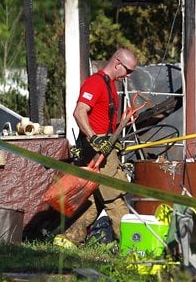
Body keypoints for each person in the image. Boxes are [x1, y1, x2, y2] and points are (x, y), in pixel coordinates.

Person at [54, 47, 138, 248]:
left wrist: (121, 124)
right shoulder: (95, 83)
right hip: (97, 149)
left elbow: (102, 119)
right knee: (114, 197)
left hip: (105, 146)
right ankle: (133, 247)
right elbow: (79, 112)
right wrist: (95, 138)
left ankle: (68, 239)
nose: (128, 76)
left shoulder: (111, 87)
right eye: (128, 70)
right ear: (117, 63)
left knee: (94, 200)